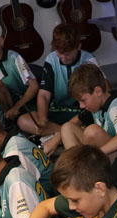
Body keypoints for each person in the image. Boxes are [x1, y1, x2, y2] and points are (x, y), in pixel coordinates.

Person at [60, 64, 117, 185]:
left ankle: (86, 176)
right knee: (67, 128)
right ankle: (77, 171)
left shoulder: (116, 108)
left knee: (92, 132)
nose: (81, 106)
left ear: (98, 91)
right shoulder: (97, 106)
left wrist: (95, 155)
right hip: (116, 160)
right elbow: (74, 122)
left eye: (83, 100)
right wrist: (54, 140)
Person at [26, 23, 99, 155]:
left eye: (68, 54)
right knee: (24, 120)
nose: (63, 58)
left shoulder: (89, 60)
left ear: (78, 46)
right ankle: (68, 133)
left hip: (82, 113)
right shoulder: (51, 59)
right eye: (60, 53)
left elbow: (97, 100)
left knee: (93, 127)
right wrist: (42, 119)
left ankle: (60, 135)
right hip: (59, 111)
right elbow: (43, 95)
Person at [0, 24, 39, 123]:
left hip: (27, 102)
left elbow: (34, 86)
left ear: (0, 41)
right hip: (7, 106)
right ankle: (8, 119)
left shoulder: (15, 57)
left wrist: (17, 107)